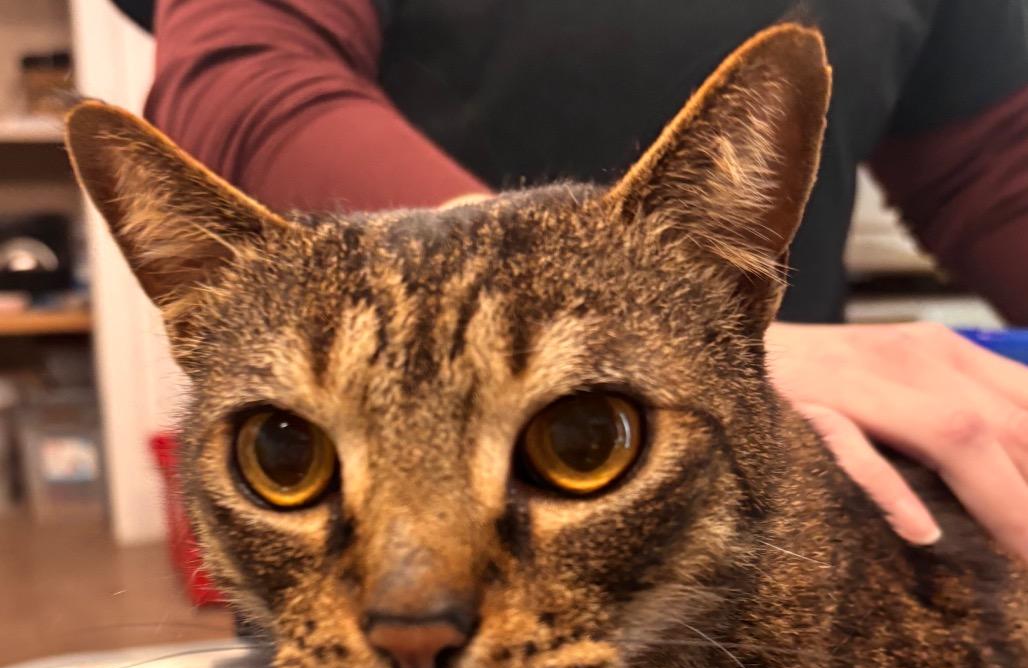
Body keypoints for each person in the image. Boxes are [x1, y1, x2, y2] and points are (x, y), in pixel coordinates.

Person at [135, 0, 1028, 560]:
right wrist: (676, 333)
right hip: (361, 544)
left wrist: (691, 341)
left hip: (744, 478)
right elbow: (248, 82)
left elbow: (988, 166)